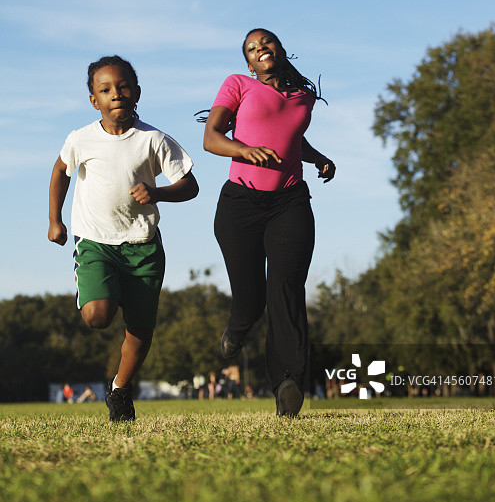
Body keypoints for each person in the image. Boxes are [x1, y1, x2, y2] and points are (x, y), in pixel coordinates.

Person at [48, 55, 199, 422]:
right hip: (96, 242)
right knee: (98, 316)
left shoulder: (153, 139)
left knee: (140, 330)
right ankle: (106, 291)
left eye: (123, 86)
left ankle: (119, 389)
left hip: (143, 245)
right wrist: (55, 219)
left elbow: (190, 185)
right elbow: (61, 171)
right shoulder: (81, 139)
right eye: (105, 89)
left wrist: (159, 192)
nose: (115, 94)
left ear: (137, 93)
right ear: (93, 100)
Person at [203, 28, 335, 417]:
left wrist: (317, 158)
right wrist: (245, 150)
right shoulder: (238, 85)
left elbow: (292, 140)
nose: (261, 50)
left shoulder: (303, 97)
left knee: (288, 289)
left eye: (267, 43)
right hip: (240, 204)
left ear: (280, 48)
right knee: (252, 299)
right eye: (252, 48)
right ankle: (240, 324)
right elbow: (211, 138)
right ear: (247, 61)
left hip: (290, 202)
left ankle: (288, 382)